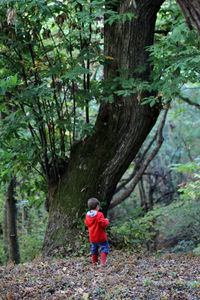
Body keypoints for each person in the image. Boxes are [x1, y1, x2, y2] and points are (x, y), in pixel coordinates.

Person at [85, 197, 110, 265]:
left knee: (94, 249)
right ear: (97, 207)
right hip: (100, 236)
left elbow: (86, 223)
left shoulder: (87, 216)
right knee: (105, 247)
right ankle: (103, 262)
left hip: (92, 237)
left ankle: (94, 262)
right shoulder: (99, 214)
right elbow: (103, 223)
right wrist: (107, 221)